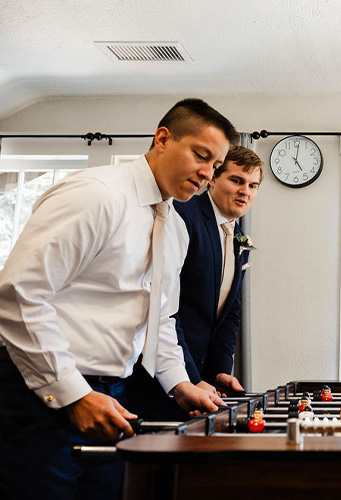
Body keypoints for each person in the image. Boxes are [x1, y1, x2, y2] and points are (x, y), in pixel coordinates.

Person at [0, 97, 238, 499]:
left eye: (215, 166)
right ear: (163, 138)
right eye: (201, 155)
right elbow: (19, 294)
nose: (207, 175)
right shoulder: (96, 195)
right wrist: (73, 393)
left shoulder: (176, 228)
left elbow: (159, 319)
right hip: (41, 396)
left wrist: (180, 382)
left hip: (115, 399)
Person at [127, 145, 263, 420]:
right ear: (213, 178)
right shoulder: (182, 217)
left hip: (202, 382)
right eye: (236, 180)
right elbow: (165, 308)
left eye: (253, 185)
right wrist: (188, 377)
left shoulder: (239, 236)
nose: (245, 191)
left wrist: (220, 371)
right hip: (161, 377)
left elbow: (230, 314)